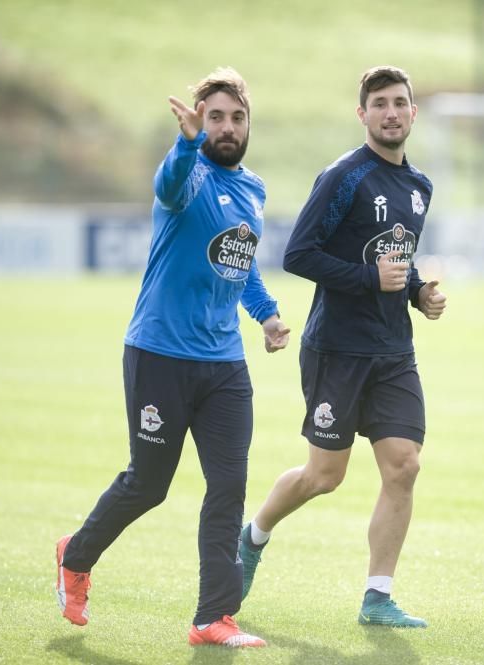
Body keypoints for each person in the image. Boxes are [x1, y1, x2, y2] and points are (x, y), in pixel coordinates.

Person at [54, 66, 291, 648]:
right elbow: (167, 185)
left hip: (224, 365)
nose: (227, 127)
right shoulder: (188, 174)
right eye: (215, 117)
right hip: (159, 353)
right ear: (199, 121)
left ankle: (213, 617)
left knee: (228, 486)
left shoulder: (254, 189)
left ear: (248, 123)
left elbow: (241, 260)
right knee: (149, 483)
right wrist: (186, 143)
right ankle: (75, 554)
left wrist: (266, 314)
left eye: (237, 117)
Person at [238, 65, 446, 628]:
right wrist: (367, 278)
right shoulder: (344, 176)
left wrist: (417, 292)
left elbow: (393, 266)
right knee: (324, 477)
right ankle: (253, 537)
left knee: (403, 466)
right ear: (363, 114)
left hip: (393, 354)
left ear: (413, 112)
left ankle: (378, 597)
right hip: (337, 349)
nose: (391, 112)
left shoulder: (419, 187)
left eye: (400, 103)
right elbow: (299, 255)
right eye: (379, 104)